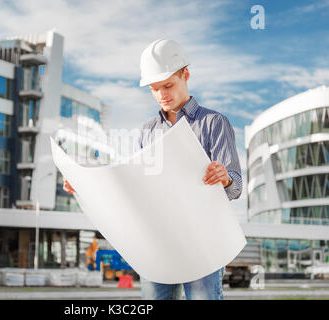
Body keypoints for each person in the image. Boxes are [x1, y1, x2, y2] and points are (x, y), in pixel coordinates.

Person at [63, 39, 242, 300]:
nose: (162, 95)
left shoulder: (214, 123)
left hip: (202, 243)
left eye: (168, 85)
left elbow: (235, 186)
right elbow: (133, 186)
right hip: (158, 244)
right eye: (154, 89)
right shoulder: (146, 131)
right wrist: (87, 186)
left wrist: (225, 178)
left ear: (186, 75)